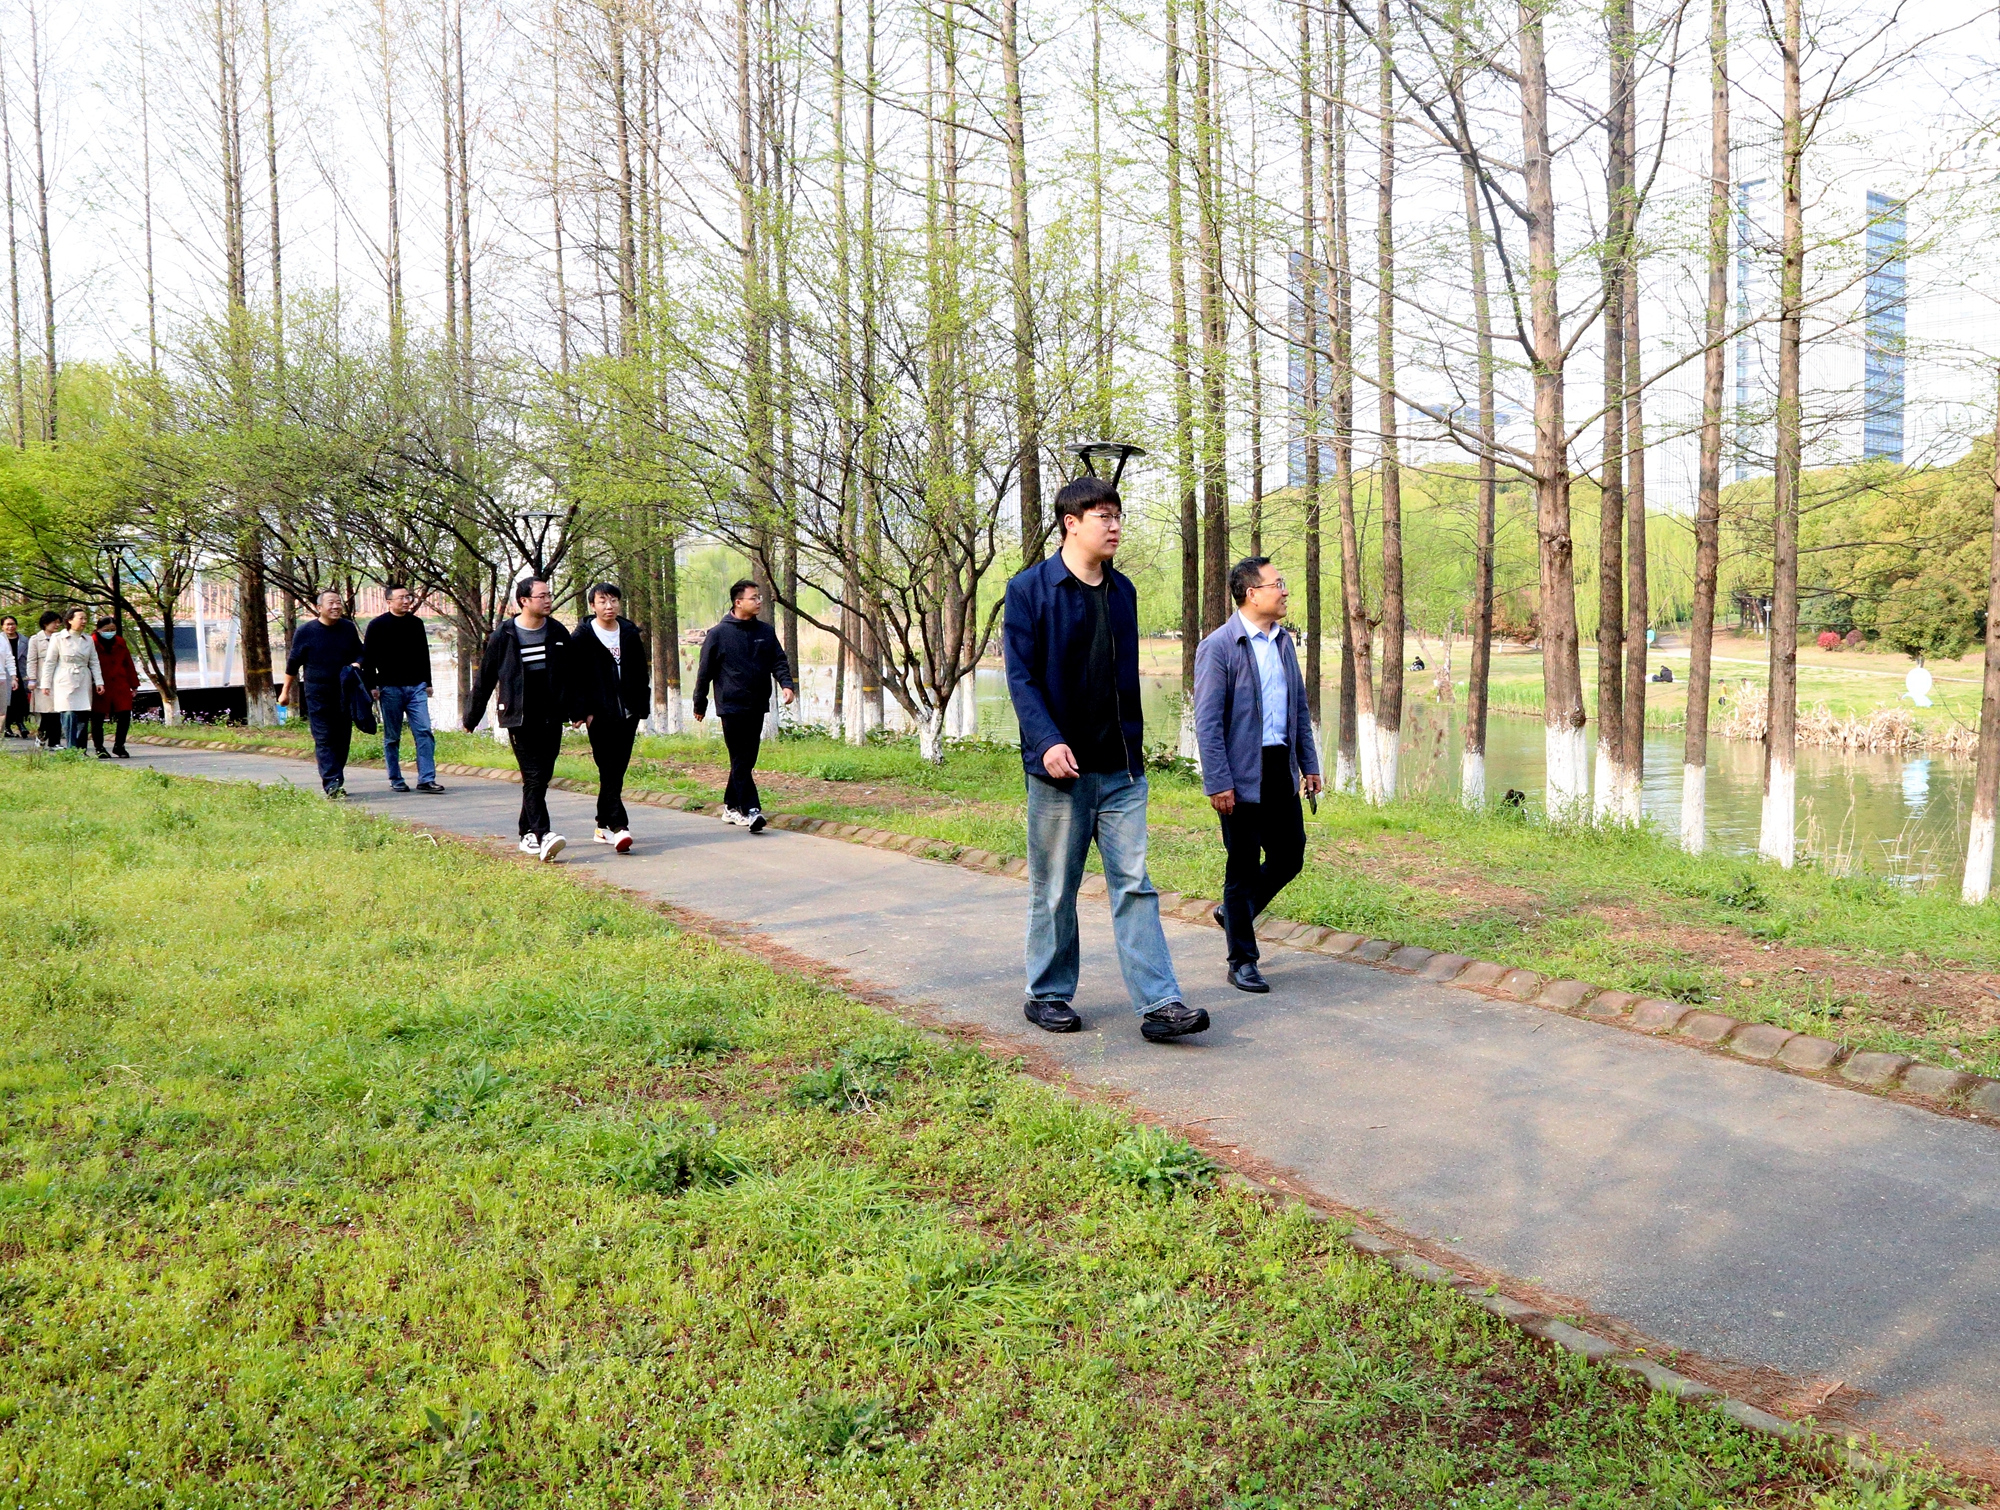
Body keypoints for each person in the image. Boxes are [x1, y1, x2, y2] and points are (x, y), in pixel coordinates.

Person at [1002, 476, 1206, 1044]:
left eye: (1118, 516)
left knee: (1134, 884)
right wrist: (1047, 741)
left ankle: (1161, 1004)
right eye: (1103, 517)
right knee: (1055, 888)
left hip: (1121, 770)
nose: (1115, 527)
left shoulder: (1123, 590)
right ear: (1071, 523)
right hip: (1060, 772)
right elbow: (1021, 677)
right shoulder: (1029, 590)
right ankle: (1047, 994)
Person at [1193, 558, 1324, 994]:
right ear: (1252, 593)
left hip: (1279, 766)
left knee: (1290, 856)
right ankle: (1242, 961)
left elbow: (1298, 708)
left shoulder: (1283, 642)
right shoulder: (1219, 646)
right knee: (1243, 865)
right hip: (1239, 772)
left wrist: (1309, 763)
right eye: (1277, 584)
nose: (1284, 591)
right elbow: (1207, 722)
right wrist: (1218, 781)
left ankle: (1235, 913)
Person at [464, 577, 573, 862]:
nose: (547, 600)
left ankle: (526, 832)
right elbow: (486, 677)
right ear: (524, 601)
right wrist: (472, 716)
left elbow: (570, 675)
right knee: (533, 776)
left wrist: (576, 709)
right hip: (519, 715)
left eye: (549, 595)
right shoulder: (506, 634)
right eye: (541, 596)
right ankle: (543, 834)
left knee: (542, 776)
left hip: (550, 715)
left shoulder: (557, 631)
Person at [692, 579, 795, 833]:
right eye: (753, 598)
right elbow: (705, 672)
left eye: (759, 597)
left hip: (757, 704)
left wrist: (786, 684)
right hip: (731, 705)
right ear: (738, 602)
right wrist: (699, 702)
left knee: (746, 759)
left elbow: (778, 660)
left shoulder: (765, 632)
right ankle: (751, 810)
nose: (759, 601)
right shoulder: (718, 634)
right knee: (740, 757)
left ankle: (730, 806)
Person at [567, 582, 649, 852]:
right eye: (602, 601)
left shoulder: (629, 633)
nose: (609, 606)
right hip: (599, 715)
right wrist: (581, 711)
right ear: (592, 606)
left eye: (613, 600)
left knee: (616, 770)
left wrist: (641, 705)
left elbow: (641, 672)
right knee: (608, 768)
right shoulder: (582, 637)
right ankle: (619, 827)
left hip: (628, 713)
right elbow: (574, 678)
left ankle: (602, 826)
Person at [279, 590, 366, 798]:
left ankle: (336, 778)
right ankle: (332, 783)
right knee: (324, 738)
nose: (336, 606)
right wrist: (285, 692)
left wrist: (358, 663)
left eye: (338, 602)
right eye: (331, 603)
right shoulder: (306, 631)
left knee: (342, 739)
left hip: (344, 694)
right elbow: (293, 663)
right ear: (319, 608)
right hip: (318, 694)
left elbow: (360, 652)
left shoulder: (347, 628)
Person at [363, 584, 445, 794]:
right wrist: (372, 686)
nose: (406, 601)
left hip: (416, 687)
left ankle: (426, 778)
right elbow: (368, 658)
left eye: (408, 597)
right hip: (390, 688)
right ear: (389, 601)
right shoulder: (377, 625)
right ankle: (396, 778)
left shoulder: (416, 623)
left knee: (424, 731)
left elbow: (423, 654)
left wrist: (427, 682)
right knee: (392, 736)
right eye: (401, 598)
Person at [46, 607, 104, 751]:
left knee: (83, 714)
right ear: (70, 620)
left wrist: (99, 681)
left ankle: (81, 749)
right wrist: (46, 683)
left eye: (85, 618)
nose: (84, 621)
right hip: (65, 678)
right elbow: (50, 662)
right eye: (80, 618)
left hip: (83, 678)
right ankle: (71, 749)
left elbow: (94, 662)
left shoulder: (88, 639)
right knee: (68, 713)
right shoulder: (58, 638)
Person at [90, 617, 139, 759]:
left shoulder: (120, 642)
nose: (110, 633)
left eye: (113, 630)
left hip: (120, 683)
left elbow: (128, 663)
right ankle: (99, 747)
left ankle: (119, 746)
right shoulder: (91, 642)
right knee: (97, 717)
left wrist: (134, 684)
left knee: (124, 714)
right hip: (100, 684)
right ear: (98, 629)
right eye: (106, 630)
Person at [27, 610, 61, 748]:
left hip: (58, 679)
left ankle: (55, 742)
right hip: (42, 680)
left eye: (58, 623)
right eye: (54, 622)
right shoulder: (36, 639)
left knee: (57, 711)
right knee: (47, 712)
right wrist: (32, 678)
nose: (57, 625)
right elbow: (31, 660)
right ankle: (42, 736)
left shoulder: (60, 638)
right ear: (45, 623)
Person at [0, 615, 24, 739]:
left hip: (4, 677)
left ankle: (1, 734)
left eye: (12, 624)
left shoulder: (2, 640)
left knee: (2, 709)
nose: (10, 627)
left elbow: (10, 659)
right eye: (7, 624)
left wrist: (14, 677)